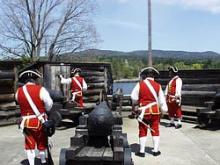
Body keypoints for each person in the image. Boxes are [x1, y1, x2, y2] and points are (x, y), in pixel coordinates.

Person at [15, 70, 53, 165]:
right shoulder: (41, 89)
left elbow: (19, 102)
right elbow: (49, 104)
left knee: (29, 144)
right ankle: (43, 161)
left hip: (25, 122)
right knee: (42, 142)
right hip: (39, 121)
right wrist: (45, 110)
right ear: (35, 80)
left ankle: (31, 163)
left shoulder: (18, 91)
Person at [131, 67, 168, 157]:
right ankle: (155, 151)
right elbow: (162, 101)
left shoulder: (139, 84)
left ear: (144, 75)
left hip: (144, 112)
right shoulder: (158, 86)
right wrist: (163, 111)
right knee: (155, 130)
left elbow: (133, 97)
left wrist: (136, 104)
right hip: (155, 112)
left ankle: (142, 151)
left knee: (143, 130)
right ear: (153, 76)